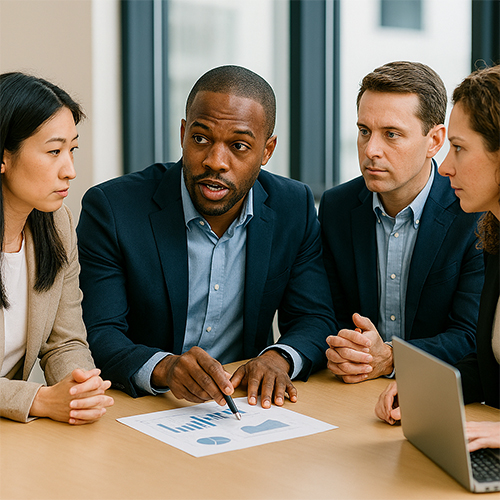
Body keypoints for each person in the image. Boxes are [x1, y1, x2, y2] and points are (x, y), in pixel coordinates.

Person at [77, 65, 337, 409]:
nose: (215, 161)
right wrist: (166, 368)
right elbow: (98, 333)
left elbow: (315, 317)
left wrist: (277, 358)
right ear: (183, 133)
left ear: (267, 150)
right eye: (200, 139)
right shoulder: (113, 208)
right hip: (141, 406)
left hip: (243, 407)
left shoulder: (294, 206)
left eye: (239, 146)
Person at [319, 61, 484, 383]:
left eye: (391, 134)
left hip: (441, 392)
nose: (371, 150)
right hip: (349, 389)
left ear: (435, 141)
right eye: (364, 131)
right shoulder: (337, 207)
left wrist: (392, 359)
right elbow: (325, 315)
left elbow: (470, 336)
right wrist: (346, 351)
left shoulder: (474, 213)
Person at [376, 65, 500, 452]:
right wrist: (424, 389)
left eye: (459, 148)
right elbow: (489, 371)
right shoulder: (494, 239)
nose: (444, 167)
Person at [0, 72, 114, 424]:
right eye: (54, 151)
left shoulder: (57, 225)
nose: (70, 171)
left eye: (72, 149)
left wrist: (80, 388)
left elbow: (65, 342)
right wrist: (37, 400)